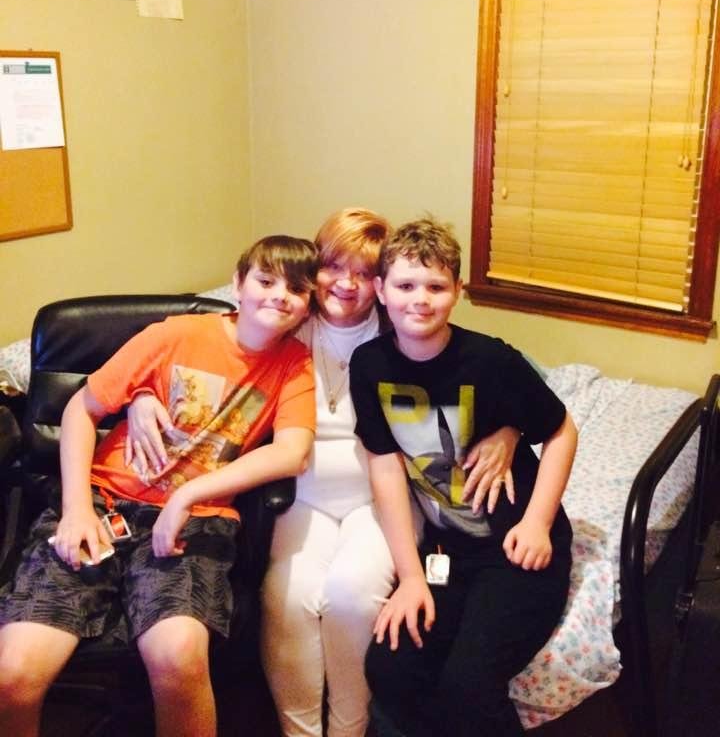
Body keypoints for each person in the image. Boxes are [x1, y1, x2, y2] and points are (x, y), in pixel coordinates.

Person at [125, 208, 520, 737]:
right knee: (287, 599)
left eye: (364, 272)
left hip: (381, 499)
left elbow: (486, 374)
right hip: (299, 496)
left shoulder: (401, 327)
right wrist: (141, 393)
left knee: (351, 597)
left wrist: (509, 429)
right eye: (334, 267)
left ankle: (348, 730)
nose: (347, 284)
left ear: (381, 283)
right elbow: (203, 353)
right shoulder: (284, 322)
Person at [0, 235, 319, 737]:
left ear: (308, 305)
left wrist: (188, 495)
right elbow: (82, 408)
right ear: (238, 284)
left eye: (296, 289)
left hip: (196, 522)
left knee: (178, 658)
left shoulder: (294, 363)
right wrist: (77, 508)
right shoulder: (177, 334)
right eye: (265, 280)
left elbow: (292, 452)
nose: (279, 295)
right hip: (102, 503)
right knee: (15, 675)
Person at [349, 217, 578, 737]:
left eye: (435, 287)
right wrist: (411, 577)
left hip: (513, 549)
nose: (420, 300)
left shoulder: (491, 360)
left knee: (467, 686)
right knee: (390, 669)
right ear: (380, 290)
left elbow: (561, 430)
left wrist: (538, 523)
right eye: (405, 286)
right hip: (446, 552)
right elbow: (385, 466)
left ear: (457, 291)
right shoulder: (369, 365)